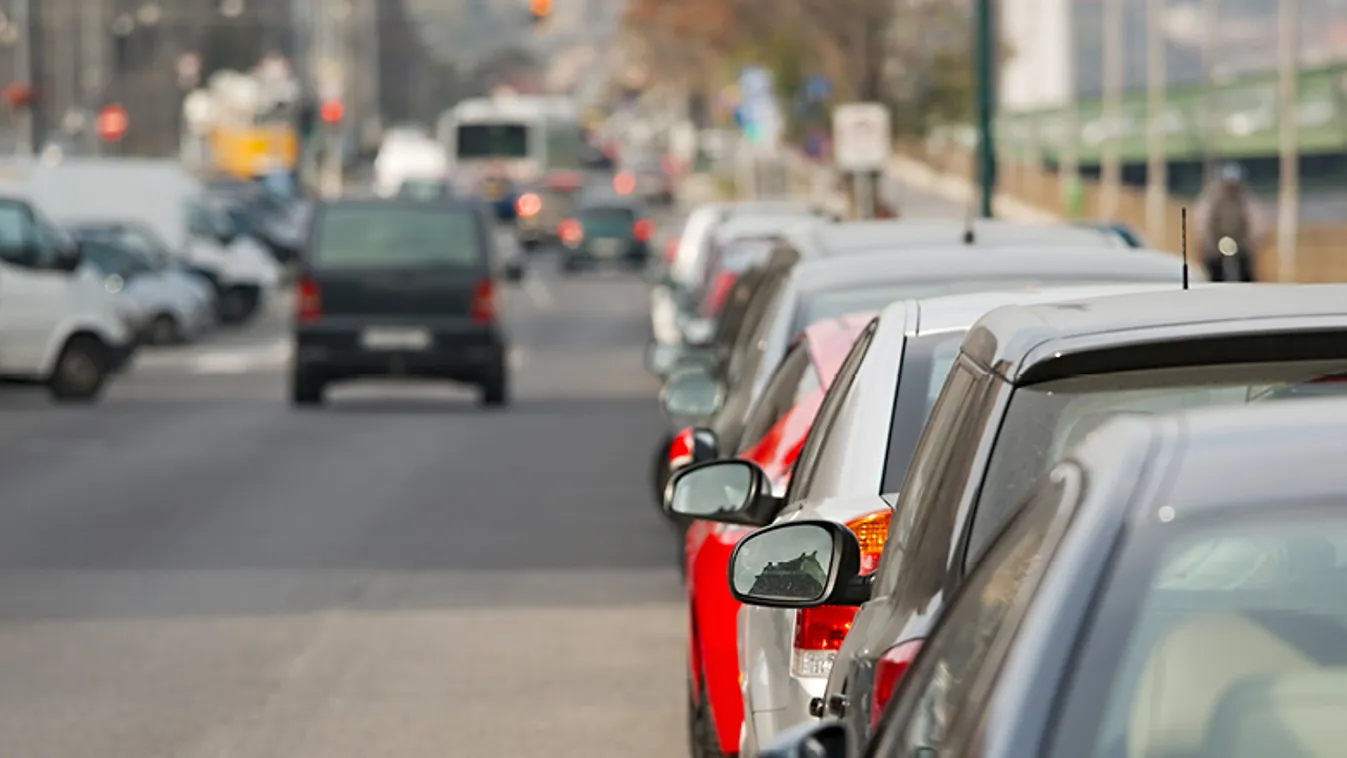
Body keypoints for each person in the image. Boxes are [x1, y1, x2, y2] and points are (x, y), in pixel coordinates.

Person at [1192, 163, 1265, 282]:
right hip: (1217, 239)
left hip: (1239, 240)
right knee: (1214, 268)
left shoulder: (1245, 199)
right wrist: (1205, 241)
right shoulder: (1212, 198)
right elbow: (1202, 219)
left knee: (1245, 268)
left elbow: (1254, 218)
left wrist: (1252, 240)